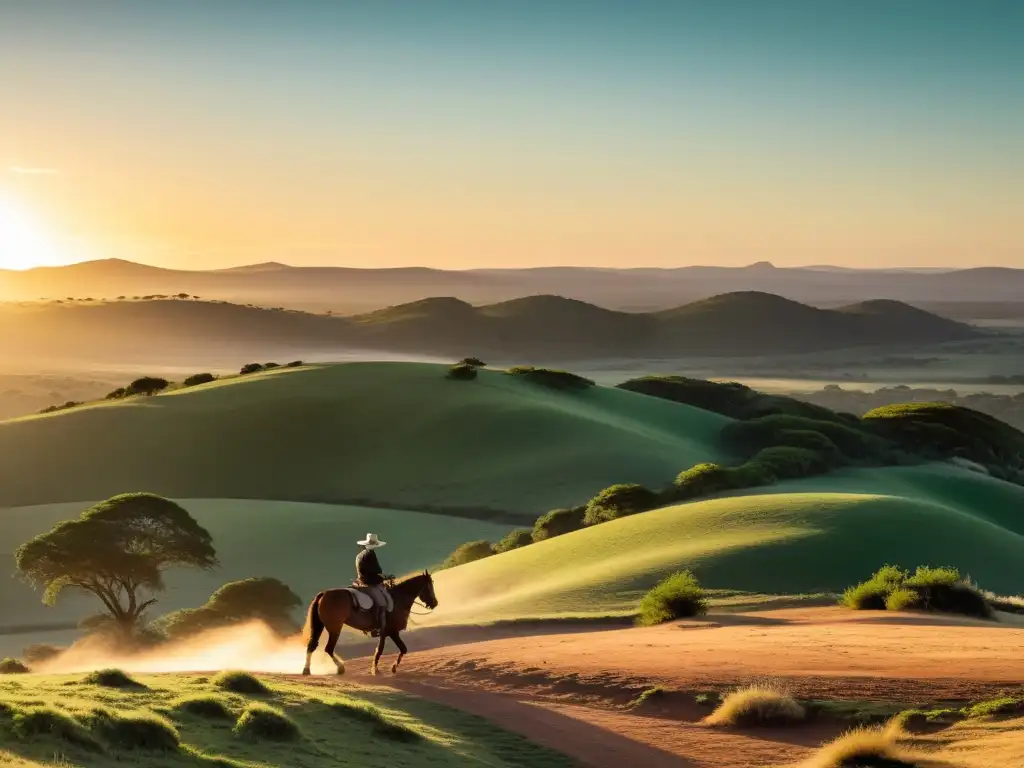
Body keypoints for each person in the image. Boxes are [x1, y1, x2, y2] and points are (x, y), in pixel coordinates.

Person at [355, 533, 391, 637]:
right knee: (382, 603)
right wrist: (384, 577)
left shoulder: (360, 554)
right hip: (369, 582)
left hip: (360, 580)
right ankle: (378, 628)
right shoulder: (370, 554)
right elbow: (377, 570)